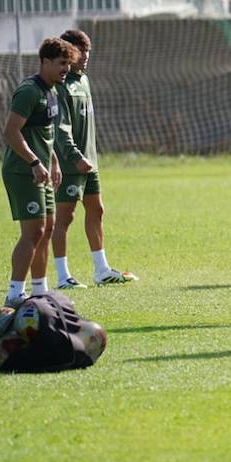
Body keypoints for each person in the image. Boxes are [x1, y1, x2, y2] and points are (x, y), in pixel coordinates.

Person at [51, 29, 138, 290]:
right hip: (70, 164)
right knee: (64, 218)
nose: (86, 56)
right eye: (80, 51)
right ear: (67, 52)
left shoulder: (83, 81)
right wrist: (75, 156)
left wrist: (88, 158)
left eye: (88, 51)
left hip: (90, 163)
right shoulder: (60, 86)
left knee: (97, 210)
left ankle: (101, 270)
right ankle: (62, 275)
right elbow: (60, 128)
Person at [0, 37, 78, 308]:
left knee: (47, 230)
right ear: (44, 62)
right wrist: (35, 162)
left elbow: (44, 134)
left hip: (42, 170)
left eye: (68, 64)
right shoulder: (29, 91)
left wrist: (53, 161)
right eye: (61, 63)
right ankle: (14, 293)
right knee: (32, 232)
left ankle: (40, 291)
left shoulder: (52, 91)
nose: (65, 69)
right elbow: (11, 132)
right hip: (23, 171)